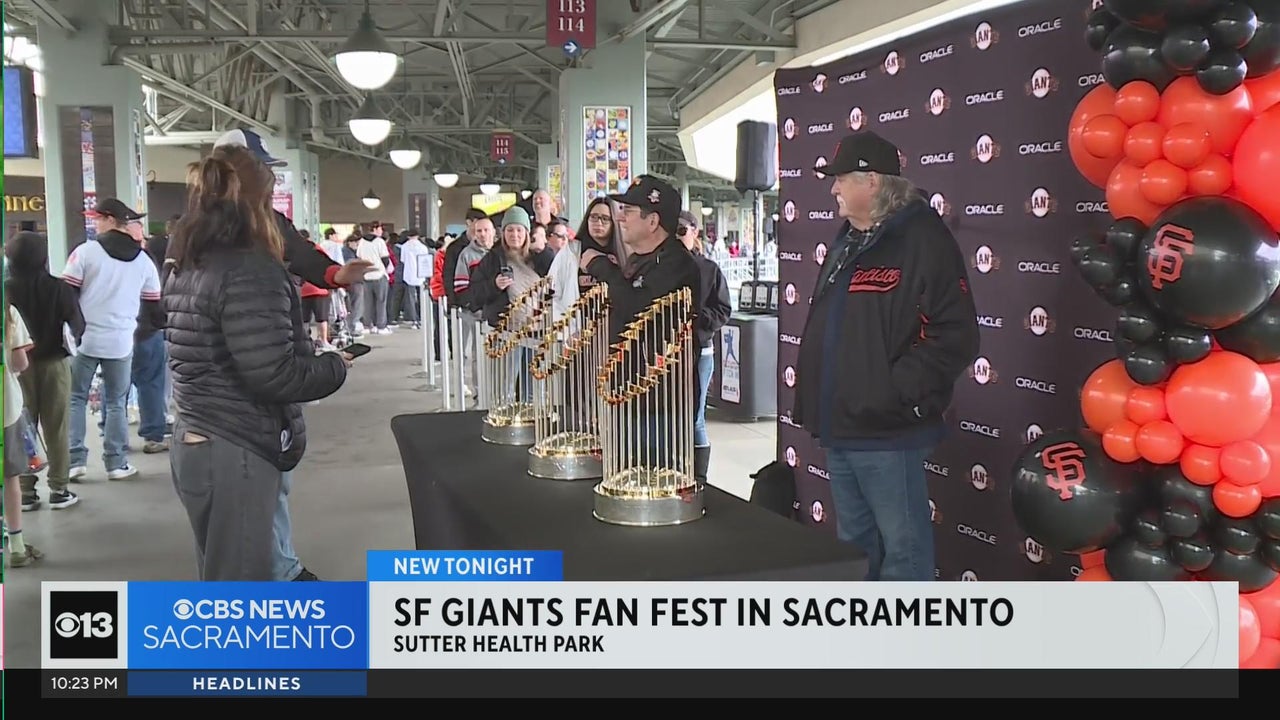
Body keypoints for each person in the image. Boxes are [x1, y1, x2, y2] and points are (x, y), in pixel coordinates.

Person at [793, 130, 979, 582]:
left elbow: (955, 334)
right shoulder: (848, 240)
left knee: (904, 550)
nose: (833, 189)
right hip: (841, 424)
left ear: (872, 181)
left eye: (841, 179)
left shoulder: (922, 239)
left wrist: (893, 392)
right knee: (856, 546)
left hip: (887, 429)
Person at [164, 145, 350, 581]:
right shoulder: (251, 270)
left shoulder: (188, 262)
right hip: (237, 443)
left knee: (222, 571)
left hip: (198, 432)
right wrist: (334, 365)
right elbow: (274, 374)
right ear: (260, 205)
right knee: (242, 588)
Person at [582, 176, 702, 467]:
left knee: (654, 476)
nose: (620, 218)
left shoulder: (676, 264)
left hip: (659, 401)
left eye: (629, 211)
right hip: (627, 391)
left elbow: (642, 311)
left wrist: (602, 268)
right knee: (625, 470)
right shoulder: (638, 260)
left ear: (652, 221)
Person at [63, 198, 163, 482]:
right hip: (121, 341)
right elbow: (154, 305)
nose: (94, 223)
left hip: (86, 341)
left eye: (97, 218)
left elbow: (67, 294)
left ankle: (75, 461)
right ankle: (116, 463)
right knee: (117, 401)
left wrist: (75, 328)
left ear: (109, 220)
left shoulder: (85, 252)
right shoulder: (143, 261)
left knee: (76, 398)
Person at [5, 231, 85, 511]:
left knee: (22, 427)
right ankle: (59, 489)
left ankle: (26, 491)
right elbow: (78, 325)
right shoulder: (59, 287)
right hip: (54, 364)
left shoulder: (6, 289)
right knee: (57, 426)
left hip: (16, 367)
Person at [677, 211, 732, 487]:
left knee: (695, 417)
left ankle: (699, 478)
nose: (677, 236)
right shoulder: (658, 266)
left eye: (682, 230)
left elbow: (723, 309)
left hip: (699, 350)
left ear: (694, 232)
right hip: (665, 352)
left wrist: (697, 319)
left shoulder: (709, 269)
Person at [4, 298, 45, 568]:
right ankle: (17, 546)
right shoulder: (8, 312)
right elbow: (20, 363)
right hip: (5, 407)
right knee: (10, 479)